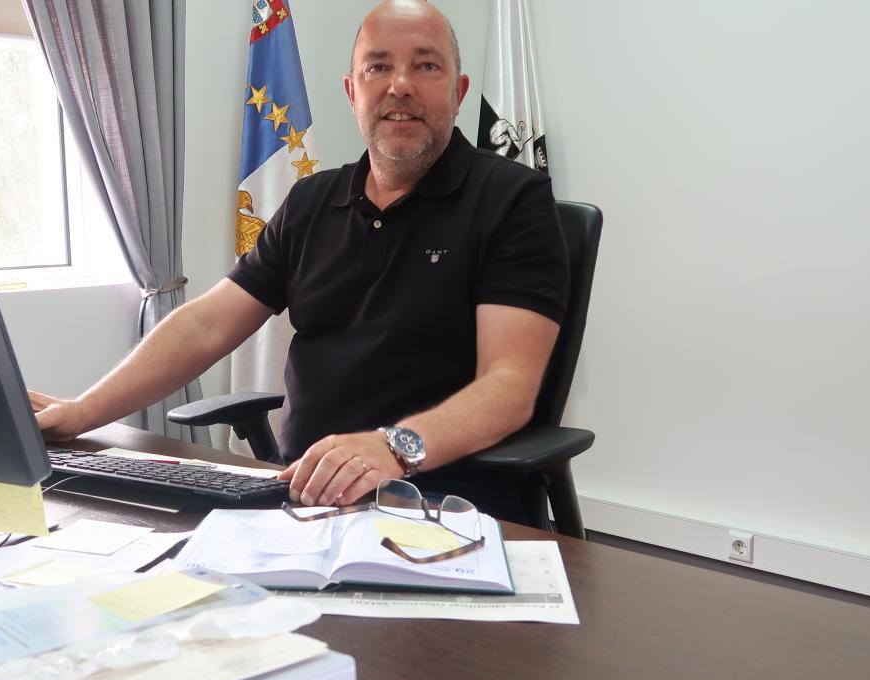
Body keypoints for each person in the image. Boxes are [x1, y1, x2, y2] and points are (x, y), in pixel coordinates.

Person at [30, 0, 568, 524]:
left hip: (439, 507)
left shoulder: (512, 200)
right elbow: (205, 325)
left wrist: (392, 449)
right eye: (378, 67)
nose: (399, 85)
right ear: (352, 92)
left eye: (426, 66)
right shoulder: (311, 202)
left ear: (459, 91)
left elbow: (509, 386)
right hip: (297, 499)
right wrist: (82, 412)